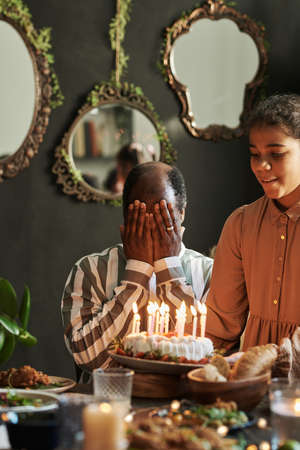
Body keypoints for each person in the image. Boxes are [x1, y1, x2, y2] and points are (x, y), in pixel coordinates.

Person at [61, 161, 213, 378]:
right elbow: (89, 359)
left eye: (163, 213)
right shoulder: (90, 270)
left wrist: (167, 265)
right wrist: (137, 271)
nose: (151, 223)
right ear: (125, 216)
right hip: (112, 402)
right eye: (141, 214)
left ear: (182, 213)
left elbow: (207, 355)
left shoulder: (209, 272)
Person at [206, 94, 300, 354]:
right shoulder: (241, 224)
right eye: (254, 154)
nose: (261, 166)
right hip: (252, 382)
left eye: (276, 153)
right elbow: (220, 326)